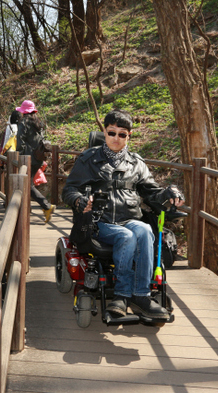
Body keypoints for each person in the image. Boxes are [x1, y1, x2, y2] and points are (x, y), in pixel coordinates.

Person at [62, 109, 185, 319]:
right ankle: (120, 295)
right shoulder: (88, 159)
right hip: (98, 222)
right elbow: (69, 190)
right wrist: (79, 200)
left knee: (146, 230)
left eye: (122, 134)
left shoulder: (136, 163)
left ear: (129, 136)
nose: (116, 138)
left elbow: (152, 192)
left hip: (130, 218)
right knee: (126, 236)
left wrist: (169, 193)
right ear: (104, 132)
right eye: (112, 133)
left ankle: (141, 296)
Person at [15, 100, 56, 223]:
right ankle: (41, 207)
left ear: (24, 112)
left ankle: (46, 206)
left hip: (28, 158)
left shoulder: (23, 122)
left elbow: (20, 141)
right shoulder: (39, 122)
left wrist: (19, 156)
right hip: (38, 157)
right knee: (28, 184)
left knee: (26, 184)